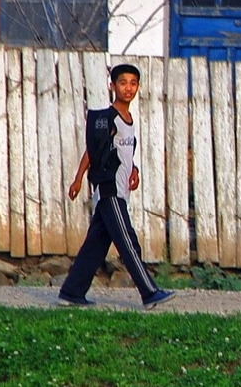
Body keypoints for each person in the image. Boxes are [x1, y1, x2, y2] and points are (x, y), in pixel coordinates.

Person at [58, 64, 176, 310]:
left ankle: (72, 291)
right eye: (123, 82)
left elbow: (123, 152)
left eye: (133, 83)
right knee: (128, 241)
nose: (128, 88)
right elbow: (94, 150)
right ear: (112, 86)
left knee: (95, 245)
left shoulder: (129, 120)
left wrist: (134, 170)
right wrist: (79, 178)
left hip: (121, 190)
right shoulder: (106, 118)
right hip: (109, 191)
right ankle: (149, 292)